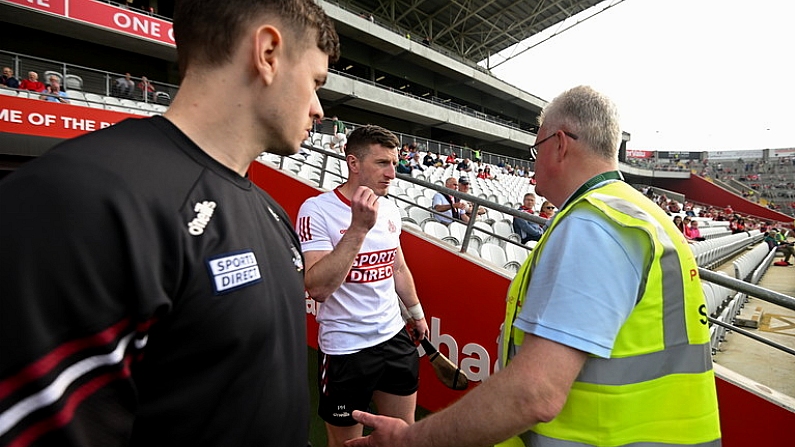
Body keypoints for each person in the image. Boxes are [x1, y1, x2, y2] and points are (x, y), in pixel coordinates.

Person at [0, 1, 340, 446]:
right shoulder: (81, 197)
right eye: (316, 83)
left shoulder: (272, 212)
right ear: (269, 53)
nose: (318, 108)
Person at [346, 86, 720, 447]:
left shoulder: (593, 224)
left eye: (536, 148)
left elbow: (536, 393)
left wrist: (411, 440)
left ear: (559, 145)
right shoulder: (642, 215)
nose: (532, 161)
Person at [296, 125, 429, 447]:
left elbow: (397, 266)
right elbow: (317, 288)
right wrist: (357, 230)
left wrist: (416, 314)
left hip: (393, 336)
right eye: (382, 163)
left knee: (403, 436)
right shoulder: (316, 209)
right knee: (345, 444)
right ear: (354, 163)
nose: (392, 174)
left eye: (394, 163)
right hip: (346, 348)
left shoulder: (390, 208)